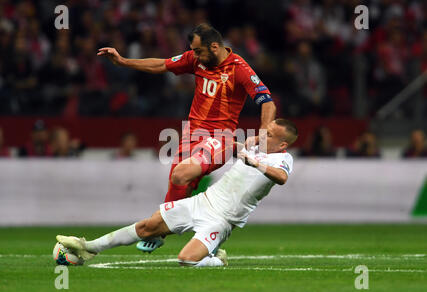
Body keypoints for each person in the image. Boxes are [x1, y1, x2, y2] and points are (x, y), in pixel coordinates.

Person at [56, 119, 297, 267]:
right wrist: (221, 146)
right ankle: (88, 247)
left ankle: (215, 258)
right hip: (203, 201)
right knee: (147, 227)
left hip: (222, 220)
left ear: (283, 144)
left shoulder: (283, 158)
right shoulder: (256, 145)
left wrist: (255, 163)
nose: (263, 135)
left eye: (270, 135)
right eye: (265, 132)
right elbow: (236, 147)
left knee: (186, 260)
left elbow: (282, 178)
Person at [97, 23, 277, 204]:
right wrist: (123, 61)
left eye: (198, 51)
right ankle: (185, 224)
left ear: (214, 46)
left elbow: (268, 103)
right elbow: (161, 64)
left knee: (181, 175)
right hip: (190, 135)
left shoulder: (239, 68)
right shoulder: (195, 59)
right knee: (173, 202)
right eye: (194, 51)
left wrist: (262, 139)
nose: (195, 56)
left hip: (219, 138)